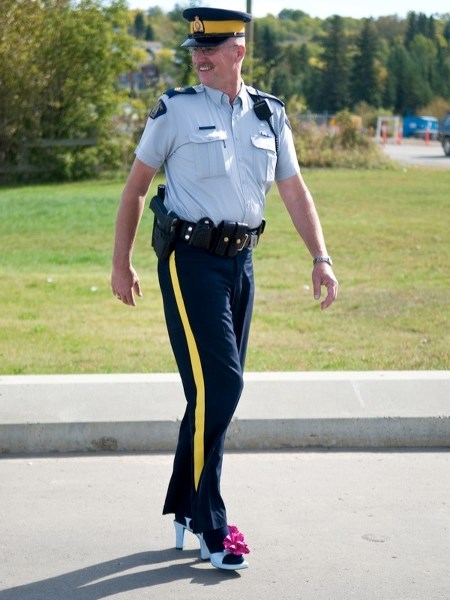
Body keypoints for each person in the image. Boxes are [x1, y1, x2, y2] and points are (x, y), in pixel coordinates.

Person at [111, 7, 338, 572]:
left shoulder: (269, 115)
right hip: (190, 264)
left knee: (208, 394)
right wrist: (122, 263)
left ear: (239, 50)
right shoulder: (176, 111)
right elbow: (137, 187)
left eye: (211, 48)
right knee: (225, 385)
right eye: (194, 48)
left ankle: (184, 504)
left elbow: (294, 190)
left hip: (243, 266)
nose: (199, 56)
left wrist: (321, 257)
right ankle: (213, 522)